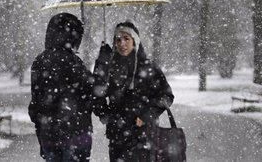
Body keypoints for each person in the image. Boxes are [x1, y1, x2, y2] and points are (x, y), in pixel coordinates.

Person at [28, 13, 107, 161]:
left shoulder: (39, 61)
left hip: (48, 135)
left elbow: (35, 102)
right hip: (75, 135)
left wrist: (41, 124)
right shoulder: (72, 62)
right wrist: (103, 62)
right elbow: (93, 91)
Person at [94, 21, 174, 161]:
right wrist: (101, 64)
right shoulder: (109, 67)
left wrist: (148, 115)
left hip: (145, 135)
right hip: (118, 137)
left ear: (135, 40)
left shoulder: (149, 67)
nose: (122, 43)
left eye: (126, 38)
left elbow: (166, 96)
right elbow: (96, 94)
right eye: (118, 39)